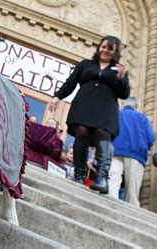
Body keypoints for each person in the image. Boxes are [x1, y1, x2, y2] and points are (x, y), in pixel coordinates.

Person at [49, 35, 130, 194]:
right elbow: (70, 83)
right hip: (83, 105)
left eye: (110, 48)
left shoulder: (119, 69)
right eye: (103, 46)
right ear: (99, 47)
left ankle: (101, 177)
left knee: (102, 133)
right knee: (82, 132)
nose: (105, 50)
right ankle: (79, 174)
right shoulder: (86, 64)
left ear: (116, 52)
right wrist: (57, 96)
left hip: (106, 109)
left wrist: (121, 78)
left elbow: (124, 94)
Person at [108, 96, 156, 206]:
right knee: (132, 189)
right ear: (136, 106)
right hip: (136, 154)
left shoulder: (117, 114)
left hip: (115, 151)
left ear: (124, 104)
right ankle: (131, 213)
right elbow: (151, 137)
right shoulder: (142, 118)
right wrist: (143, 147)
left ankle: (110, 206)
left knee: (113, 179)